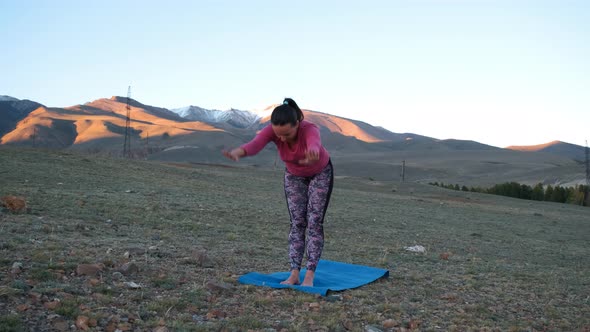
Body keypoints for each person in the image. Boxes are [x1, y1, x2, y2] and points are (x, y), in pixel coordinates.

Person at [222, 98, 333, 287]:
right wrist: (240, 152)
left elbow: (314, 142)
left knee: (314, 222)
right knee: (297, 222)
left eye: (287, 134)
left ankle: (309, 276)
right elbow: (257, 143)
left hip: (320, 173)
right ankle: (294, 273)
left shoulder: (309, 129)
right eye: (278, 135)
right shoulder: (274, 131)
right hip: (294, 175)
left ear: (297, 124)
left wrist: (312, 152)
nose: (281, 139)